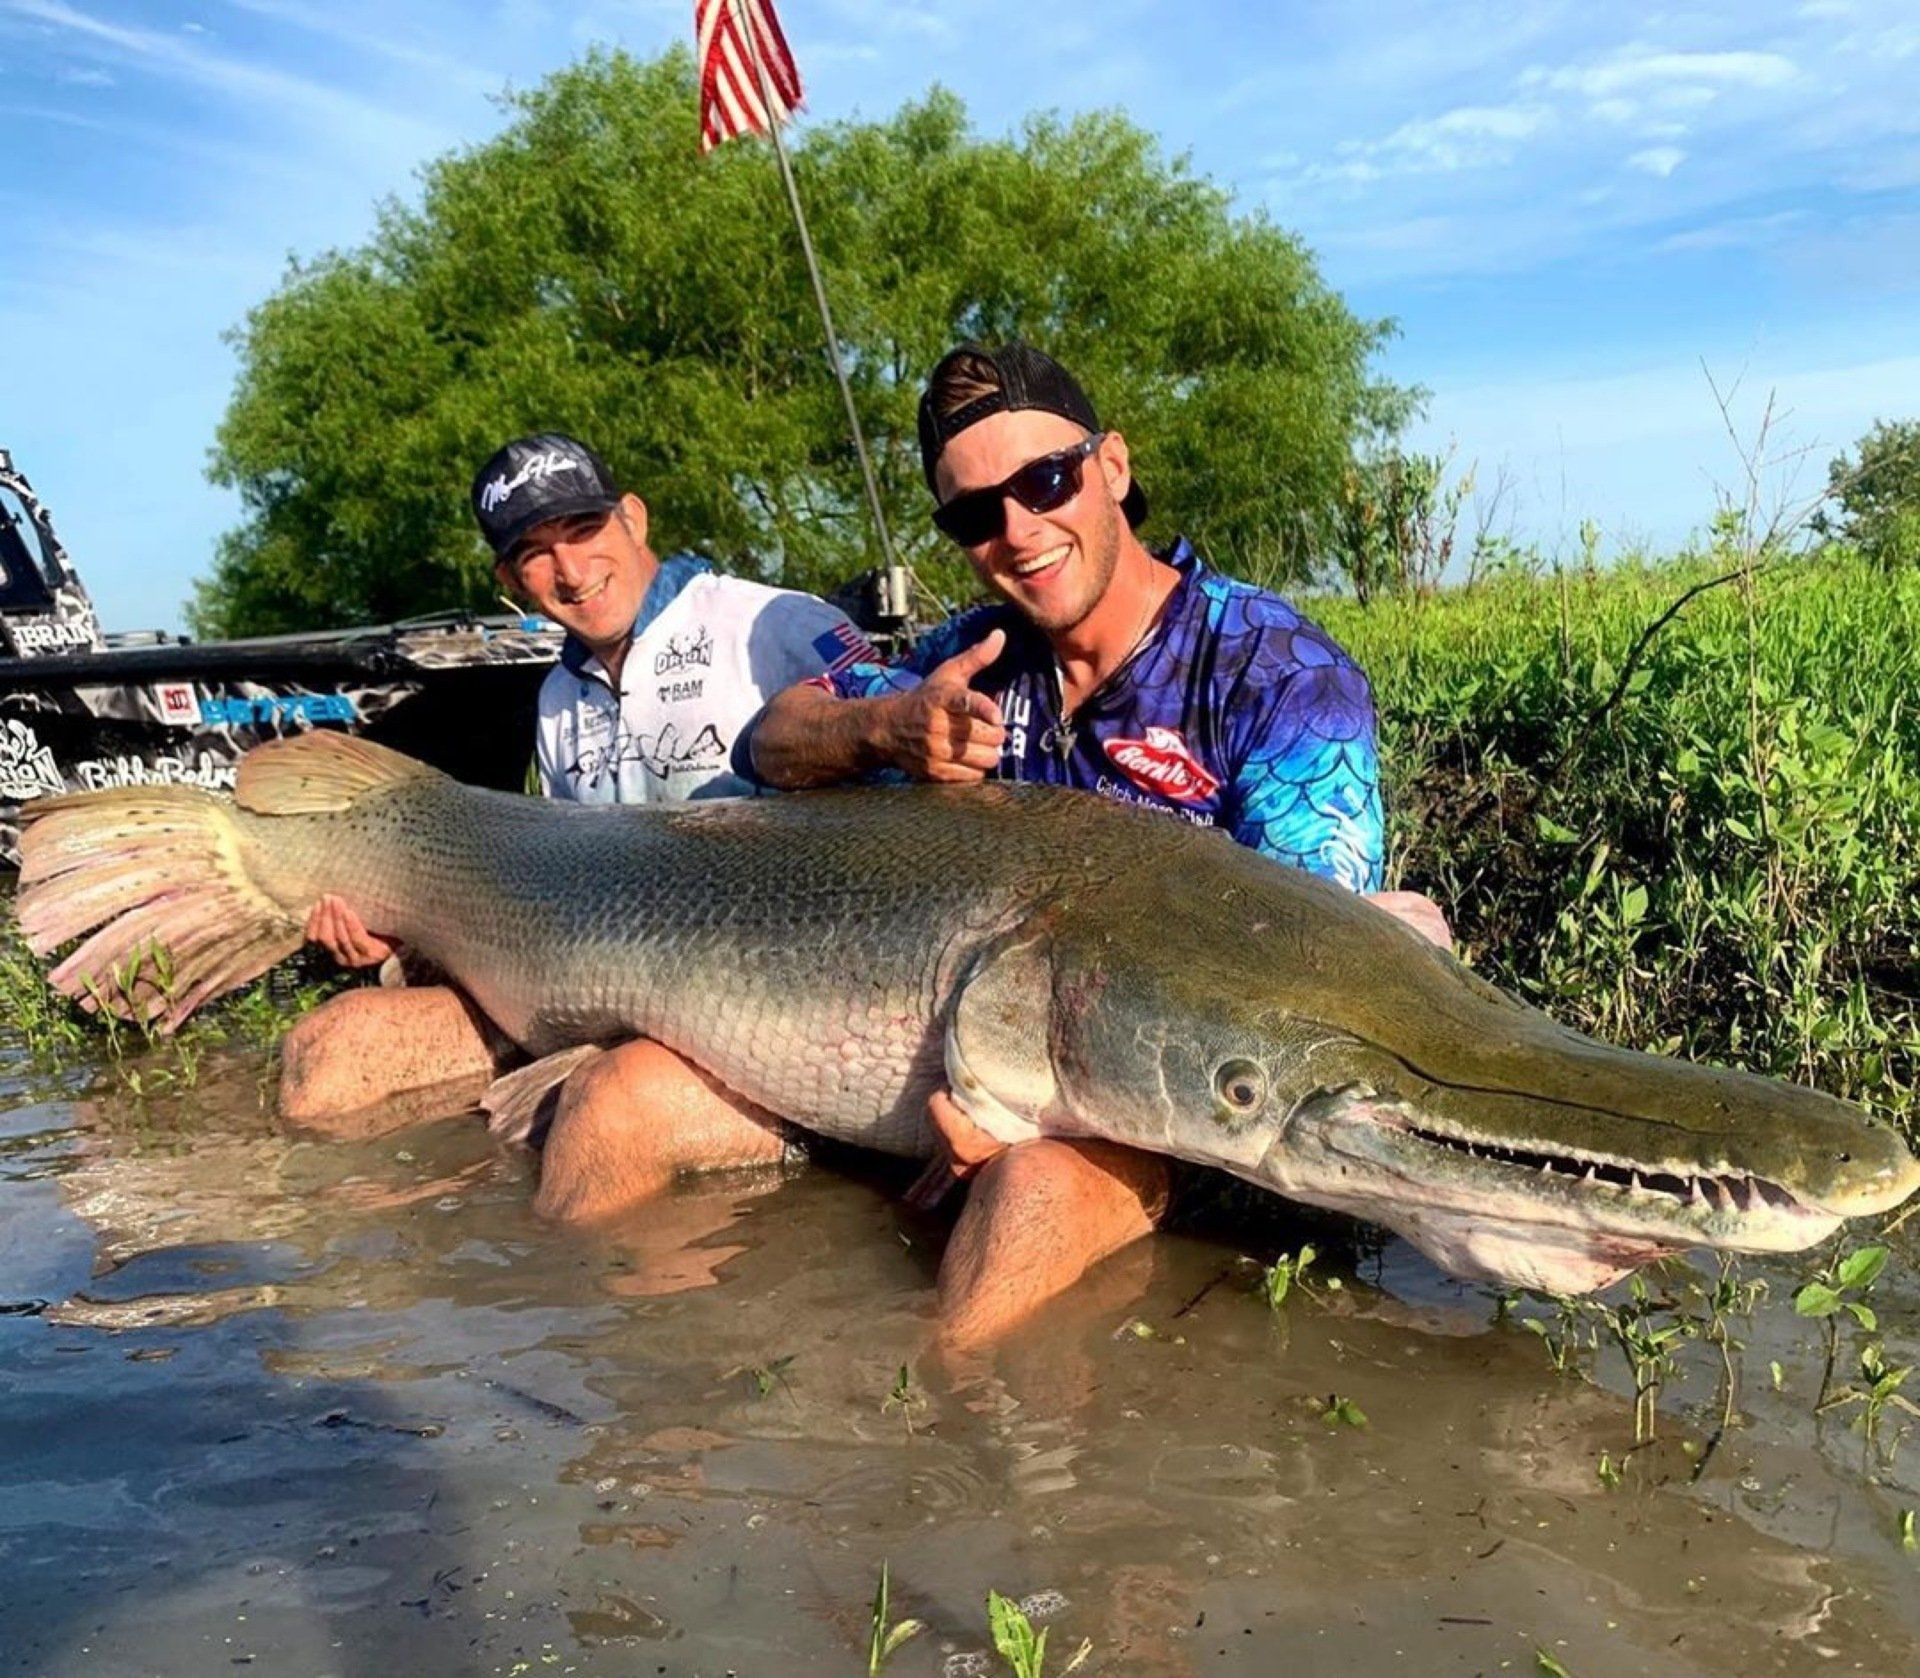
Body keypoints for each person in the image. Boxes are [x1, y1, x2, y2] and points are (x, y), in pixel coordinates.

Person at [742, 341, 1450, 1344]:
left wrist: (1023, 1114)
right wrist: (880, 728)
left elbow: (1295, 975)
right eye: (973, 514)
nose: (1018, 532)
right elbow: (769, 737)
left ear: (1112, 466)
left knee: (1029, 1190)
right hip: (980, 1066)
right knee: (621, 1101)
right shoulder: (969, 659)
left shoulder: (1278, 671)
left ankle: (936, 1441)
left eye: (1046, 481)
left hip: (1178, 1111)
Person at [284, 433, 876, 1219]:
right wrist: (404, 943)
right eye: (534, 551)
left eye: (583, 529)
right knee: (328, 1052)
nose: (569, 568)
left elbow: (892, 811)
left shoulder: (774, 625)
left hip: (772, 1023)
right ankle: (388, 1303)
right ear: (508, 579)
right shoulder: (556, 699)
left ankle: (581, 1332)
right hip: (593, 1000)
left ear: (632, 517)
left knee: (605, 1114)